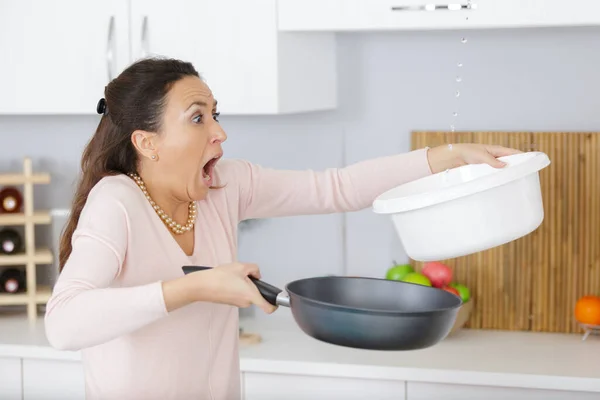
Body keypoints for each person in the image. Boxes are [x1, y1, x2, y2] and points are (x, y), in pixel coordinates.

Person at [44, 57, 520, 399]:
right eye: (197, 118)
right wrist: (194, 289)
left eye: (215, 113)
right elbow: (63, 324)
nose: (219, 132)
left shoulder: (225, 185)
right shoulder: (117, 202)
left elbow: (336, 188)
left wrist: (446, 157)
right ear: (148, 142)